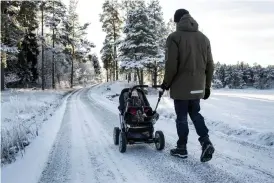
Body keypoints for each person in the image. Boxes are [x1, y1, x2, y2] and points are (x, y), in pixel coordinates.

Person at [161, 9, 215, 162]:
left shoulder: (174, 37)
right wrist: (207, 86)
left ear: (177, 21)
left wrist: (166, 83)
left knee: (182, 117)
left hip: (181, 87)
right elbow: (210, 65)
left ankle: (182, 147)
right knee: (195, 114)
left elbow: (171, 65)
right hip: (198, 86)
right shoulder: (204, 38)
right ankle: (205, 142)